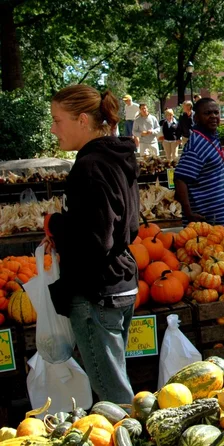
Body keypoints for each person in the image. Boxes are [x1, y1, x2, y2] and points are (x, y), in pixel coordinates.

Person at [44, 85, 138, 404]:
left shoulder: (89, 167)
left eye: (57, 120)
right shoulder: (117, 158)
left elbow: (96, 241)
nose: (53, 129)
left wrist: (56, 225)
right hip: (121, 284)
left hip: (96, 294)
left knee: (114, 398)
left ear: (82, 120)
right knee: (113, 384)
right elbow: (130, 226)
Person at [174, 98, 224, 232]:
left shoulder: (211, 137)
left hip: (220, 221)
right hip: (207, 226)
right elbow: (180, 179)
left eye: (216, 112)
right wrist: (189, 213)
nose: (213, 116)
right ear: (196, 118)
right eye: (207, 113)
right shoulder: (197, 143)